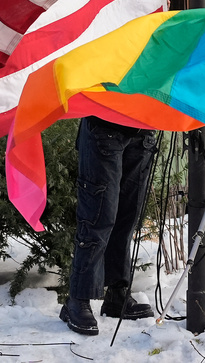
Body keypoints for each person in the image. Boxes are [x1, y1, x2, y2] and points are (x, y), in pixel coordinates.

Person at [59, 115, 158, 336]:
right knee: (97, 217)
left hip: (143, 128)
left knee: (127, 218)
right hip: (104, 123)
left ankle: (117, 294)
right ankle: (77, 299)